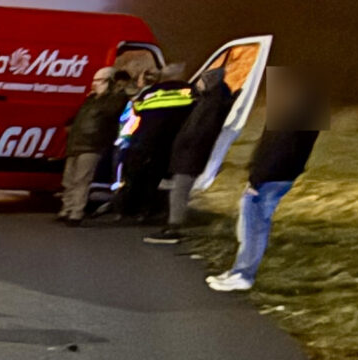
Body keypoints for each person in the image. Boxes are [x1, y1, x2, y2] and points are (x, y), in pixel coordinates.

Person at [208, 67, 321, 292]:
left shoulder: (289, 117)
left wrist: (256, 178)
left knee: (254, 225)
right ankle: (240, 271)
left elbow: (275, 149)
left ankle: (243, 273)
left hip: (270, 176)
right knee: (257, 223)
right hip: (282, 174)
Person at [147, 64, 233, 243]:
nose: (198, 83)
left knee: (180, 191)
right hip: (188, 153)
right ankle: (171, 223)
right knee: (177, 189)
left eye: (202, 80)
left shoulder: (212, 104)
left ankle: (174, 228)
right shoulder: (206, 100)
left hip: (192, 154)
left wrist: (186, 144)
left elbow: (202, 131)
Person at [115, 65, 192, 222]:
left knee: (135, 176)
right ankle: (148, 211)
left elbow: (137, 109)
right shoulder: (189, 91)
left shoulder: (151, 92)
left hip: (143, 140)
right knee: (156, 179)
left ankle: (128, 210)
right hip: (168, 143)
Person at [59, 68, 128, 224]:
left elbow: (112, 112)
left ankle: (76, 213)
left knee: (81, 179)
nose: (94, 84)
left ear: (109, 82)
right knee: (68, 179)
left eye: (99, 81)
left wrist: (113, 92)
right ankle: (67, 208)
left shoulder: (114, 100)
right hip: (76, 143)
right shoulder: (91, 100)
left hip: (92, 144)